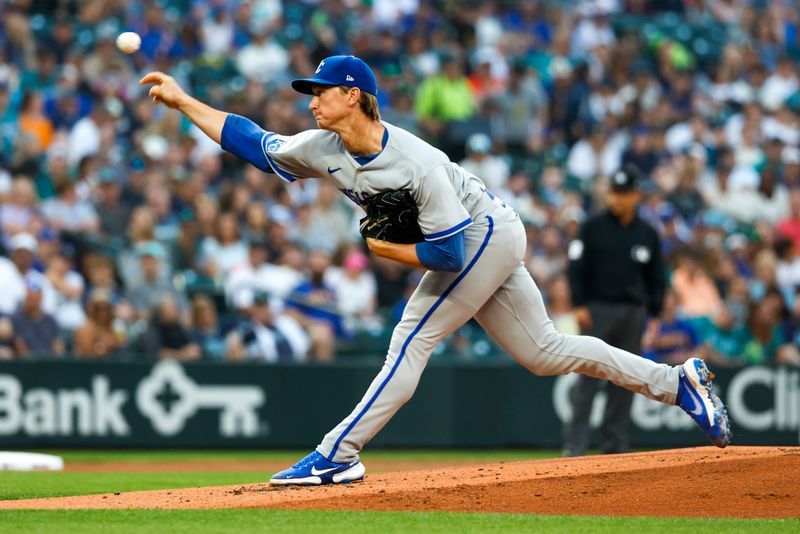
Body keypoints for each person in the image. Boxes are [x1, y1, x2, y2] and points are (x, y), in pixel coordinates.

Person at [140, 55, 731, 486]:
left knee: (412, 337)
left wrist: (390, 253)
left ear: (355, 95)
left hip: (486, 232)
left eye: (321, 90)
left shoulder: (414, 160)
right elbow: (253, 143)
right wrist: (185, 101)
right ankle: (676, 383)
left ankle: (336, 455)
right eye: (310, 91)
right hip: (479, 238)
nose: (311, 99)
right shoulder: (323, 146)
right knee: (544, 352)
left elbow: (448, 255)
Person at [563, 166, 667, 456]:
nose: (617, 199)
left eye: (623, 194)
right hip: (597, 311)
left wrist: (655, 315)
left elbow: (658, 278)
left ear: (636, 195)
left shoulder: (647, 233)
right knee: (587, 379)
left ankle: (614, 446)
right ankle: (575, 446)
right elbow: (575, 268)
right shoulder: (593, 226)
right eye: (614, 193)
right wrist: (579, 303)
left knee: (626, 382)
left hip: (633, 313)